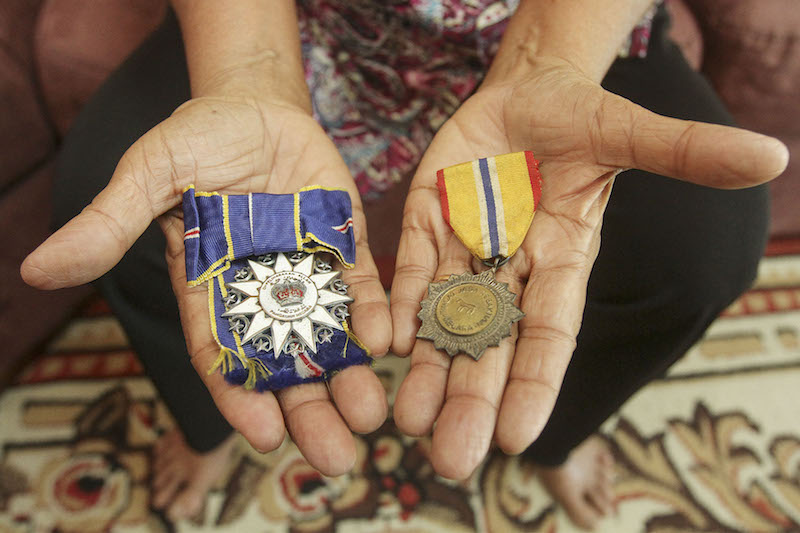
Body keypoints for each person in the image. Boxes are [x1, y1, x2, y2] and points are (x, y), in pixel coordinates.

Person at [21, 0, 788, 528]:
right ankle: (203, 426)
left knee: (709, 247)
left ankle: (561, 430)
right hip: (289, 27)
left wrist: (548, 59)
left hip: (559, 37)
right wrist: (246, 73)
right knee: (114, 200)